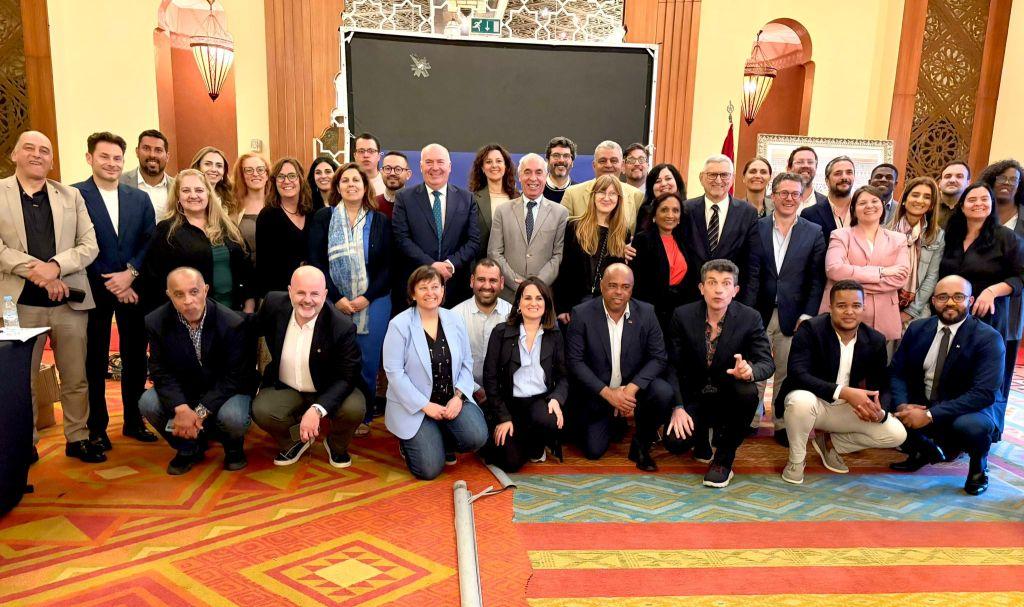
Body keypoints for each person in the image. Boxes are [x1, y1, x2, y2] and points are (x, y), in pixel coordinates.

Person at [1, 130, 101, 463]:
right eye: (29, 148)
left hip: (68, 303)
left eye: (44, 150)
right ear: (14, 155)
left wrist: (56, 266)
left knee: (75, 376)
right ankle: (24, 443)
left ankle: (78, 437)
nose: (37, 154)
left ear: (52, 160)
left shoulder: (71, 196)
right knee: (21, 379)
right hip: (17, 304)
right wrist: (36, 271)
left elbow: (89, 245)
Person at [775, 280, 907, 484]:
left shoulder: (875, 339)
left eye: (856, 305)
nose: (849, 312)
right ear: (830, 307)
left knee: (896, 434)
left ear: (864, 308)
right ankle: (796, 460)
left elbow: (882, 384)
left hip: (847, 408)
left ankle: (831, 443)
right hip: (813, 402)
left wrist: (880, 410)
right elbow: (797, 373)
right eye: (842, 305)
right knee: (800, 401)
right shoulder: (810, 329)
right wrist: (843, 392)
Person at [74, 132, 157, 449]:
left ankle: (134, 421)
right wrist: (113, 281)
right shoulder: (75, 195)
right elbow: (75, 242)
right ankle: (97, 427)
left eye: (117, 158)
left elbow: (149, 240)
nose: (111, 163)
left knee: (136, 357)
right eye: (104, 156)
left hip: (134, 288)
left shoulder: (139, 198)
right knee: (94, 360)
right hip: (94, 289)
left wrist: (130, 274)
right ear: (90, 158)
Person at [889, 275, 1005, 495]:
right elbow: (898, 372)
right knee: (883, 402)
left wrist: (930, 415)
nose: (950, 302)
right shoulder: (917, 328)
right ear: (933, 301)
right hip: (924, 399)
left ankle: (978, 468)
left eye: (958, 297)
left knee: (972, 427)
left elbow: (983, 393)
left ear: (970, 301)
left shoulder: (988, 337)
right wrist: (903, 405)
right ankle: (922, 450)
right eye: (943, 297)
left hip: (968, 407)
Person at [665, 259, 774, 487]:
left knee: (747, 392)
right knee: (675, 442)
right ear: (701, 288)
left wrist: (750, 371)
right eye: (712, 282)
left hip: (728, 397)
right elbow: (672, 365)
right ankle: (701, 437)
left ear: (735, 290)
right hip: (694, 394)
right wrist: (678, 407)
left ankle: (724, 459)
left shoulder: (750, 318)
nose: (718, 290)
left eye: (726, 283)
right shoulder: (682, 316)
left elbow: (767, 363)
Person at [139, 268, 251, 475]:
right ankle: (189, 447)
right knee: (148, 402)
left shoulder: (232, 323)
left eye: (194, 292)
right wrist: (181, 409)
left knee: (233, 417)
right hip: (186, 390)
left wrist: (199, 412)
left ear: (206, 290)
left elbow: (234, 377)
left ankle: (233, 446)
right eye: (179, 294)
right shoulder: (156, 322)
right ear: (169, 295)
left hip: (225, 392)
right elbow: (159, 371)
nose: (188, 301)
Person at [251, 266, 366, 467]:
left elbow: (348, 376)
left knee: (354, 408)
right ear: (289, 292)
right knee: (262, 409)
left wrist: (318, 410)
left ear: (325, 295)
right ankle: (296, 440)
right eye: (301, 293)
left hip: (327, 388)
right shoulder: (273, 304)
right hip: (287, 387)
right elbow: (249, 329)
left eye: (314, 294)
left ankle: (336, 445)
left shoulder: (341, 326)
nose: (307, 300)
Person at [308, 163, 391, 436]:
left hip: (374, 300)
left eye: (357, 180)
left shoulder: (379, 221)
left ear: (366, 187)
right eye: (345, 180)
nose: (351, 184)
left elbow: (387, 267)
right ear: (337, 186)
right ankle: (331, 411)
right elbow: (317, 262)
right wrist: (337, 297)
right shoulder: (323, 217)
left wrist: (366, 297)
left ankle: (364, 414)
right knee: (334, 358)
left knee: (367, 360)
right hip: (332, 300)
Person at [382, 266, 488, 480]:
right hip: (416, 406)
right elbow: (394, 374)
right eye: (423, 288)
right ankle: (409, 442)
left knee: (477, 437)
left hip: (450, 401)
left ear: (443, 291)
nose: (430, 293)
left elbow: (466, 362)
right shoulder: (399, 325)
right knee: (429, 470)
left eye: (435, 287)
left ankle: (442, 438)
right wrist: (425, 405)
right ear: (413, 294)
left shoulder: (454, 320)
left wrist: (459, 397)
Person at [742, 172, 826, 440]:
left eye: (795, 194)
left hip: (795, 315)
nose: (789, 198)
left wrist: (808, 314)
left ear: (801, 197)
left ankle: (780, 423)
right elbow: (751, 273)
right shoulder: (757, 227)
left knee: (786, 371)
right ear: (773, 195)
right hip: (759, 312)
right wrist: (747, 313)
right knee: (756, 369)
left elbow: (816, 279)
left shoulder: (813, 231)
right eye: (783, 193)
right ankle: (750, 419)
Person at [566, 264, 674, 470]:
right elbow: (575, 362)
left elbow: (659, 357)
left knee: (663, 392)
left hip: (632, 390)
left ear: (632, 289)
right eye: (612, 285)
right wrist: (609, 394)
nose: (619, 292)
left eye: (625, 287)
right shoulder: (582, 313)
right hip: (598, 392)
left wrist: (630, 390)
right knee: (593, 451)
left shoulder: (646, 312)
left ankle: (641, 443)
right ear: (601, 285)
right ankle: (614, 421)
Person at [939, 182, 1024, 401]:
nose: (978, 203)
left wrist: (992, 291)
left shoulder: (1006, 237)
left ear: (992, 204)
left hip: (987, 317)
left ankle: (979, 418)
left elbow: (1020, 276)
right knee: (946, 373)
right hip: (949, 315)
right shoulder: (950, 235)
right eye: (972, 199)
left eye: (984, 199)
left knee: (980, 377)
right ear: (962, 206)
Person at [481, 278, 567, 471]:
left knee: (550, 419)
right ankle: (517, 440)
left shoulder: (554, 334)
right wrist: (503, 417)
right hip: (509, 404)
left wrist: (556, 399)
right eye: (527, 298)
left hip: (539, 403)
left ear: (546, 304)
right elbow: (490, 379)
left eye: (539, 298)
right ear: (518, 303)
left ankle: (536, 444)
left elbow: (563, 376)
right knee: (510, 463)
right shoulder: (500, 333)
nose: (533, 303)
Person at [141, 169, 254, 313]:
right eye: (186, 190)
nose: (193, 195)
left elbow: (246, 268)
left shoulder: (227, 226)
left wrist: (249, 306)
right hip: (190, 314)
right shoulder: (166, 230)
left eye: (199, 190)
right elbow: (156, 279)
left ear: (208, 194)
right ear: (177, 196)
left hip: (233, 312)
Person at [392, 143, 480, 307]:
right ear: (420, 166)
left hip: (455, 288)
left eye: (440, 162)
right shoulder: (404, 198)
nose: (435, 167)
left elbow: (473, 241)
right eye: (429, 162)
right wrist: (431, 266)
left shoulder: (467, 199)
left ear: (449, 166)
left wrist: (450, 265)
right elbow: (401, 239)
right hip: (417, 287)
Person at [820, 185, 910, 343]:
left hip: (883, 316)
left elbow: (900, 278)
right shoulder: (840, 235)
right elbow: (834, 270)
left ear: (883, 206)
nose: (869, 206)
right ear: (854, 209)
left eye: (874, 201)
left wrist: (849, 283)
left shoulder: (898, 239)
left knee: (878, 357)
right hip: (843, 315)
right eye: (862, 203)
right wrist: (881, 272)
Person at [554, 174, 634, 323]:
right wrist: (562, 307)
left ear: (619, 199)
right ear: (593, 196)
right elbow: (564, 269)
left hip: (606, 307)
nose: (606, 198)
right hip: (574, 306)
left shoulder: (623, 233)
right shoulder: (574, 227)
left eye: (612, 194)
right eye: (602, 192)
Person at [678, 154, 758, 303]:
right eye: (712, 175)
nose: (718, 180)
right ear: (701, 178)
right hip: (689, 299)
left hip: (731, 301)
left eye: (724, 175)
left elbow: (752, 265)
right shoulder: (685, 209)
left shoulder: (748, 213)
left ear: (732, 178)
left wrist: (747, 306)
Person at [488, 153, 568, 301]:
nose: (533, 178)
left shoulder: (560, 213)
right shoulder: (502, 211)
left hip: (542, 296)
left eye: (539, 172)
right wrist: (517, 283)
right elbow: (494, 253)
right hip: (508, 296)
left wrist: (536, 285)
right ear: (519, 176)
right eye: (527, 172)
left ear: (546, 176)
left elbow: (558, 256)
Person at [980, 160, 1024, 402]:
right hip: (977, 300)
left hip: (1011, 302)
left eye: (1013, 179)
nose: (1007, 183)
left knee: (1001, 366)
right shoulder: (980, 209)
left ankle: (995, 416)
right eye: (1002, 178)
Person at [450, 259, 512, 403]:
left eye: (493, 280)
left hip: (503, 396)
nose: (487, 286)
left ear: (502, 283)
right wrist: (475, 389)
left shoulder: (512, 316)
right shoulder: (454, 316)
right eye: (481, 280)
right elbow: (451, 363)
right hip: (462, 394)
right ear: (472, 281)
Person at [888, 177, 944, 326]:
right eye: (915, 195)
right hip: (885, 304)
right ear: (904, 200)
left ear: (931, 205)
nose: (920, 200)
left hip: (917, 311)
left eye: (927, 197)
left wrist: (910, 312)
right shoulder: (886, 231)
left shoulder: (937, 236)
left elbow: (932, 277)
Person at [631, 192, 688, 331]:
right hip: (650, 314)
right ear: (654, 215)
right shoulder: (642, 240)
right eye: (664, 210)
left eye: (675, 210)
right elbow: (637, 283)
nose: (670, 215)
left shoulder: (684, 241)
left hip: (677, 314)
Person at [256, 157, 312, 297]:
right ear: (274, 182)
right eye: (281, 177)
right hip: (280, 293)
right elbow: (263, 264)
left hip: (309, 292)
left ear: (300, 179)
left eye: (292, 176)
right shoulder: (267, 216)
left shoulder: (312, 212)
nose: (286, 181)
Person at [561, 141, 643, 228]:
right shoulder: (572, 194)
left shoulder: (637, 196)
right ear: (594, 165)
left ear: (622, 165)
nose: (608, 165)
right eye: (602, 161)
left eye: (614, 161)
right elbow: (563, 232)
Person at [469, 144, 518, 260]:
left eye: (499, 161)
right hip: (483, 264)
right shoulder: (472, 199)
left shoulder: (518, 198)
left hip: (513, 265)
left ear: (506, 166)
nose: (494, 165)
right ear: (482, 168)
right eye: (488, 162)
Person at [120, 129, 173, 220]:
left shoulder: (177, 187)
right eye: (146, 148)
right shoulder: (119, 182)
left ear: (167, 156)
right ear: (137, 152)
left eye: (158, 150)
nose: (152, 155)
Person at [802, 155, 856, 242]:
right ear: (827, 181)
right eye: (838, 173)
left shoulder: (864, 211)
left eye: (849, 172)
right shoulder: (810, 214)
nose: (844, 177)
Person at [230, 151, 270, 256]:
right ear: (242, 176)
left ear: (267, 174)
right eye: (249, 170)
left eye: (260, 169)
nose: (255, 174)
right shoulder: (232, 207)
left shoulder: (277, 204)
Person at [635, 163, 685, 232]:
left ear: (677, 182)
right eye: (658, 181)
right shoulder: (644, 211)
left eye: (668, 178)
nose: (663, 184)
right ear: (651, 188)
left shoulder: (688, 209)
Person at [189, 146, 234, 219]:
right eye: (208, 164)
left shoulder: (228, 197)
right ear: (198, 166)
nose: (214, 169)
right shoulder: (188, 195)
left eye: (219, 166)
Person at [785, 146, 828, 211]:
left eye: (810, 162)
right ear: (789, 169)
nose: (805, 165)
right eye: (799, 162)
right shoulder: (772, 201)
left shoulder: (827, 204)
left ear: (816, 168)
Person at [376, 151, 411, 218]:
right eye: (387, 168)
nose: (392, 173)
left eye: (398, 169)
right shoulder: (372, 204)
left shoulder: (417, 205)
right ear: (381, 172)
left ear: (408, 174)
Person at [936, 160, 970, 228]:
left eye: (959, 176)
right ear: (939, 183)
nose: (952, 180)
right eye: (947, 176)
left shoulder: (973, 209)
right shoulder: (929, 206)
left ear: (968, 183)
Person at [543, 136, 576, 203]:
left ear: (572, 162)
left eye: (566, 156)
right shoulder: (536, 190)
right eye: (556, 155)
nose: (561, 160)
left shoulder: (579, 192)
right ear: (548, 161)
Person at [352, 132, 385, 199]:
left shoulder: (387, 183)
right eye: (361, 151)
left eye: (371, 151)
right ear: (355, 156)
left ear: (379, 156)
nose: (366, 155)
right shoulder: (347, 183)